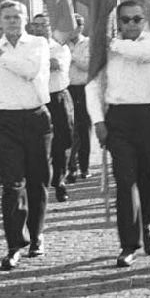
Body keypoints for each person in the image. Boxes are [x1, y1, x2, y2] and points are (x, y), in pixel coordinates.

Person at [86, 0, 150, 268]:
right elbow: (92, 86)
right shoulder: (105, 48)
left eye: (137, 19)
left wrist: (110, 43)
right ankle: (128, 244)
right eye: (125, 20)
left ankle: (146, 225)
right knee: (125, 181)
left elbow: (147, 55)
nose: (131, 24)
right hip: (119, 118)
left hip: (149, 116)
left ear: (144, 21)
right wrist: (98, 120)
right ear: (117, 21)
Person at [0, 0, 52, 271]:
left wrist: (3, 56)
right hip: (5, 120)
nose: (11, 21)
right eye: (6, 17)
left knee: (38, 180)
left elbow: (30, 71)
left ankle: (36, 233)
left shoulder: (38, 44)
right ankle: (14, 244)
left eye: (16, 16)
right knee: (12, 184)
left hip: (35, 116)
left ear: (25, 19)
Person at [31, 14, 74, 202]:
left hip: (57, 97)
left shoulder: (60, 48)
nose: (39, 29)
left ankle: (60, 181)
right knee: (39, 144)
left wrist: (33, 65)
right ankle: (42, 182)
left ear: (50, 27)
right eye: (36, 25)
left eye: (43, 25)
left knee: (62, 142)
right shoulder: (29, 49)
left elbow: (56, 65)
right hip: (38, 99)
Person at [66, 13, 92, 182]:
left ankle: (84, 166)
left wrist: (72, 57)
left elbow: (87, 66)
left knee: (84, 129)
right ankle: (71, 167)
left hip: (83, 89)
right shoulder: (62, 43)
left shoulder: (88, 43)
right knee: (70, 129)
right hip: (67, 89)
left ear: (81, 27)